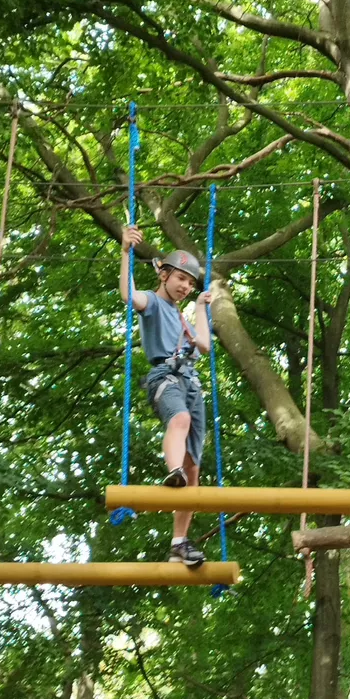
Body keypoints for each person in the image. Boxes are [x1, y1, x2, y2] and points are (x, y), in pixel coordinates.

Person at [119, 225, 213, 567]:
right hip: (166, 377)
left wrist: (200, 307)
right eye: (181, 279)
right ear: (163, 274)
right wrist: (125, 252)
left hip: (191, 384)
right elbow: (129, 296)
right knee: (180, 420)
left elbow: (204, 345)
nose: (185, 286)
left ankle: (179, 543)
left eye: (190, 283)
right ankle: (173, 471)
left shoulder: (182, 317)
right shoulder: (155, 304)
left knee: (195, 469)